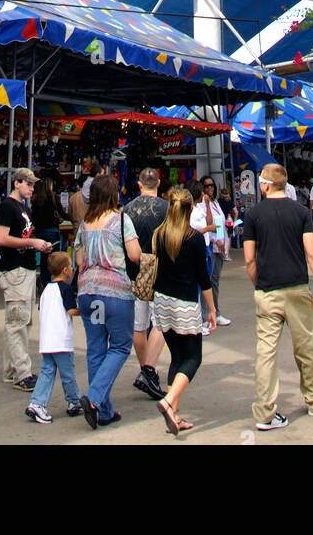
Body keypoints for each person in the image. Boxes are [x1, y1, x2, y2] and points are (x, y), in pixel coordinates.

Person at [243, 163, 313, 430]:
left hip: (267, 291)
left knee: (266, 352)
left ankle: (265, 412)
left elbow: (248, 259)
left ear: (265, 185)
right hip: (297, 288)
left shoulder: (253, 215)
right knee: (306, 346)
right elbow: (312, 254)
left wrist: (259, 284)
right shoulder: (301, 212)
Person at [74, 174, 140, 429]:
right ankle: (94, 398)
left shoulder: (85, 223)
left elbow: (79, 261)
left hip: (88, 293)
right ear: (113, 195)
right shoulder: (121, 220)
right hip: (115, 293)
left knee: (96, 348)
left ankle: (104, 410)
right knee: (121, 346)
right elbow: (134, 255)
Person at [152, 187, 215, 436]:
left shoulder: (159, 234)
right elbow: (203, 278)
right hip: (185, 303)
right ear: (190, 209)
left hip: (162, 300)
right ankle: (169, 402)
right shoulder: (194, 239)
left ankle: (174, 415)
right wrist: (211, 308)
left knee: (176, 356)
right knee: (193, 358)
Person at [0, 168, 52, 391]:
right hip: (15, 270)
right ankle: (22, 373)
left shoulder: (23, 207)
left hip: (26, 269)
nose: (31, 188)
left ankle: (12, 370)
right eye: (27, 184)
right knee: (17, 322)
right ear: (16, 183)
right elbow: (2, 238)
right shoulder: (7, 207)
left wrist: (37, 243)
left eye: (32, 185)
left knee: (22, 321)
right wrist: (32, 243)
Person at [125, 167, 168, 401]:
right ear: (158, 183)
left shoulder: (128, 209)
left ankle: (146, 371)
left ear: (139, 184)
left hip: (135, 271)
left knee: (138, 326)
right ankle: (148, 370)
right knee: (161, 323)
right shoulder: (167, 209)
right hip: (160, 270)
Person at [24, 252, 82, 423]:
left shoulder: (46, 290)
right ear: (65, 271)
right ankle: (74, 401)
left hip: (47, 341)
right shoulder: (66, 289)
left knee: (47, 371)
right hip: (61, 341)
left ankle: (37, 402)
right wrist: (83, 311)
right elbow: (71, 310)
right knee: (68, 373)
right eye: (71, 266)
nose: (72, 269)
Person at [193, 175, 231, 327]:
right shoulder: (201, 205)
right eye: (206, 186)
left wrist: (222, 241)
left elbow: (219, 223)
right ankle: (204, 315)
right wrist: (217, 240)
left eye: (211, 186)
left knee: (214, 281)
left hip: (219, 247)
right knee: (206, 282)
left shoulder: (215, 202)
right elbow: (207, 225)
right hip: (210, 245)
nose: (209, 189)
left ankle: (215, 312)